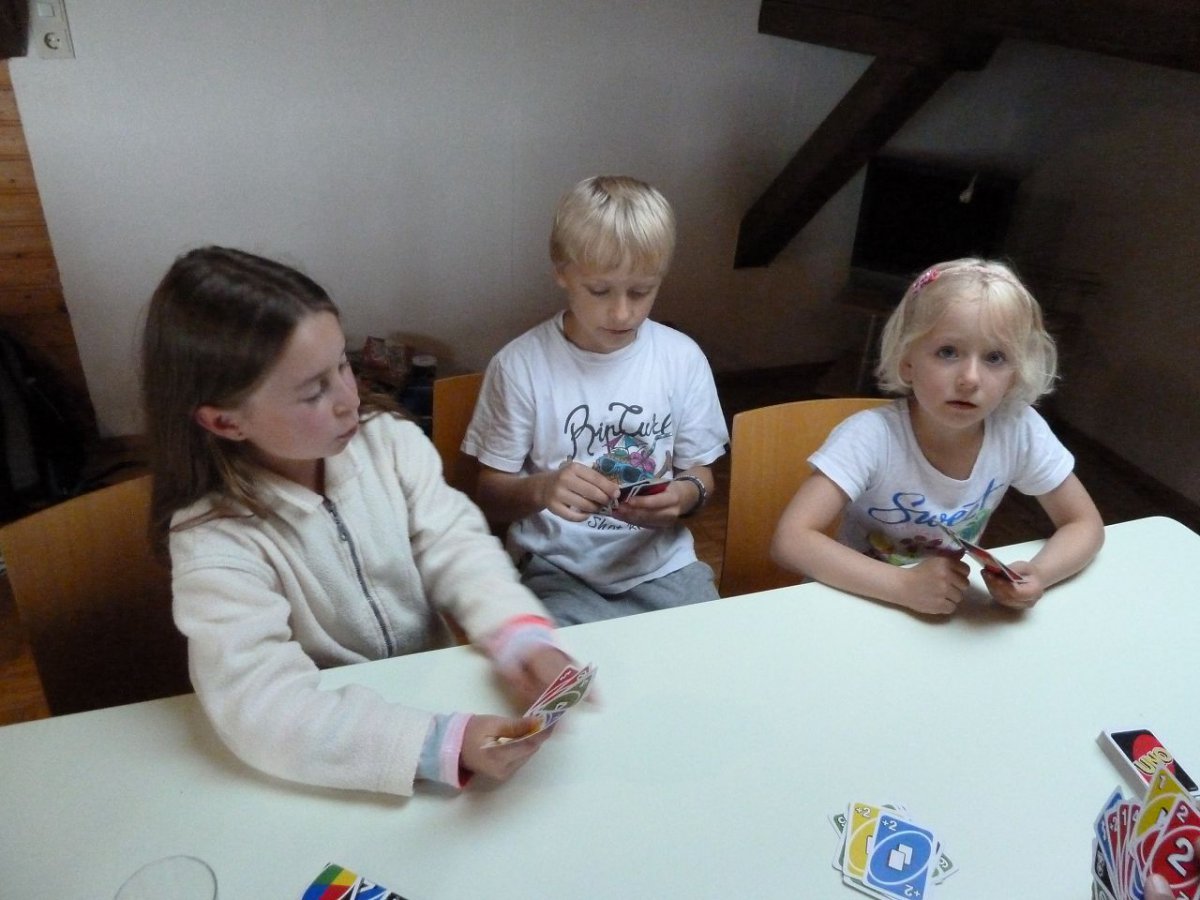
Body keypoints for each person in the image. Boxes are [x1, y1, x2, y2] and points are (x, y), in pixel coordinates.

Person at [141, 246, 576, 797]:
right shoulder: (212, 538)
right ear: (226, 422)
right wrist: (433, 744)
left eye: (342, 364)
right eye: (313, 391)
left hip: (436, 694)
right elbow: (263, 707)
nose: (350, 399)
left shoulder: (389, 442)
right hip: (342, 756)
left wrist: (520, 635)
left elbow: (456, 544)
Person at [462, 175, 729, 626]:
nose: (623, 313)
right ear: (562, 271)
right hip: (555, 569)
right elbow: (489, 495)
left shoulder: (681, 358)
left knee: (712, 649)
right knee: (566, 664)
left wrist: (685, 495)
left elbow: (701, 474)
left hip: (663, 564)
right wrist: (543, 488)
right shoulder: (520, 365)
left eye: (641, 291)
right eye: (600, 291)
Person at [770, 258, 1105, 615]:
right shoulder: (870, 437)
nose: (970, 379)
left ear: (1015, 374)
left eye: (995, 357)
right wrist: (903, 586)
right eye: (948, 352)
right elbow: (790, 541)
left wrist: (1040, 573)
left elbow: (1084, 524)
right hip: (855, 599)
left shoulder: (1018, 429)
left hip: (938, 610)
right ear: (907, 361)